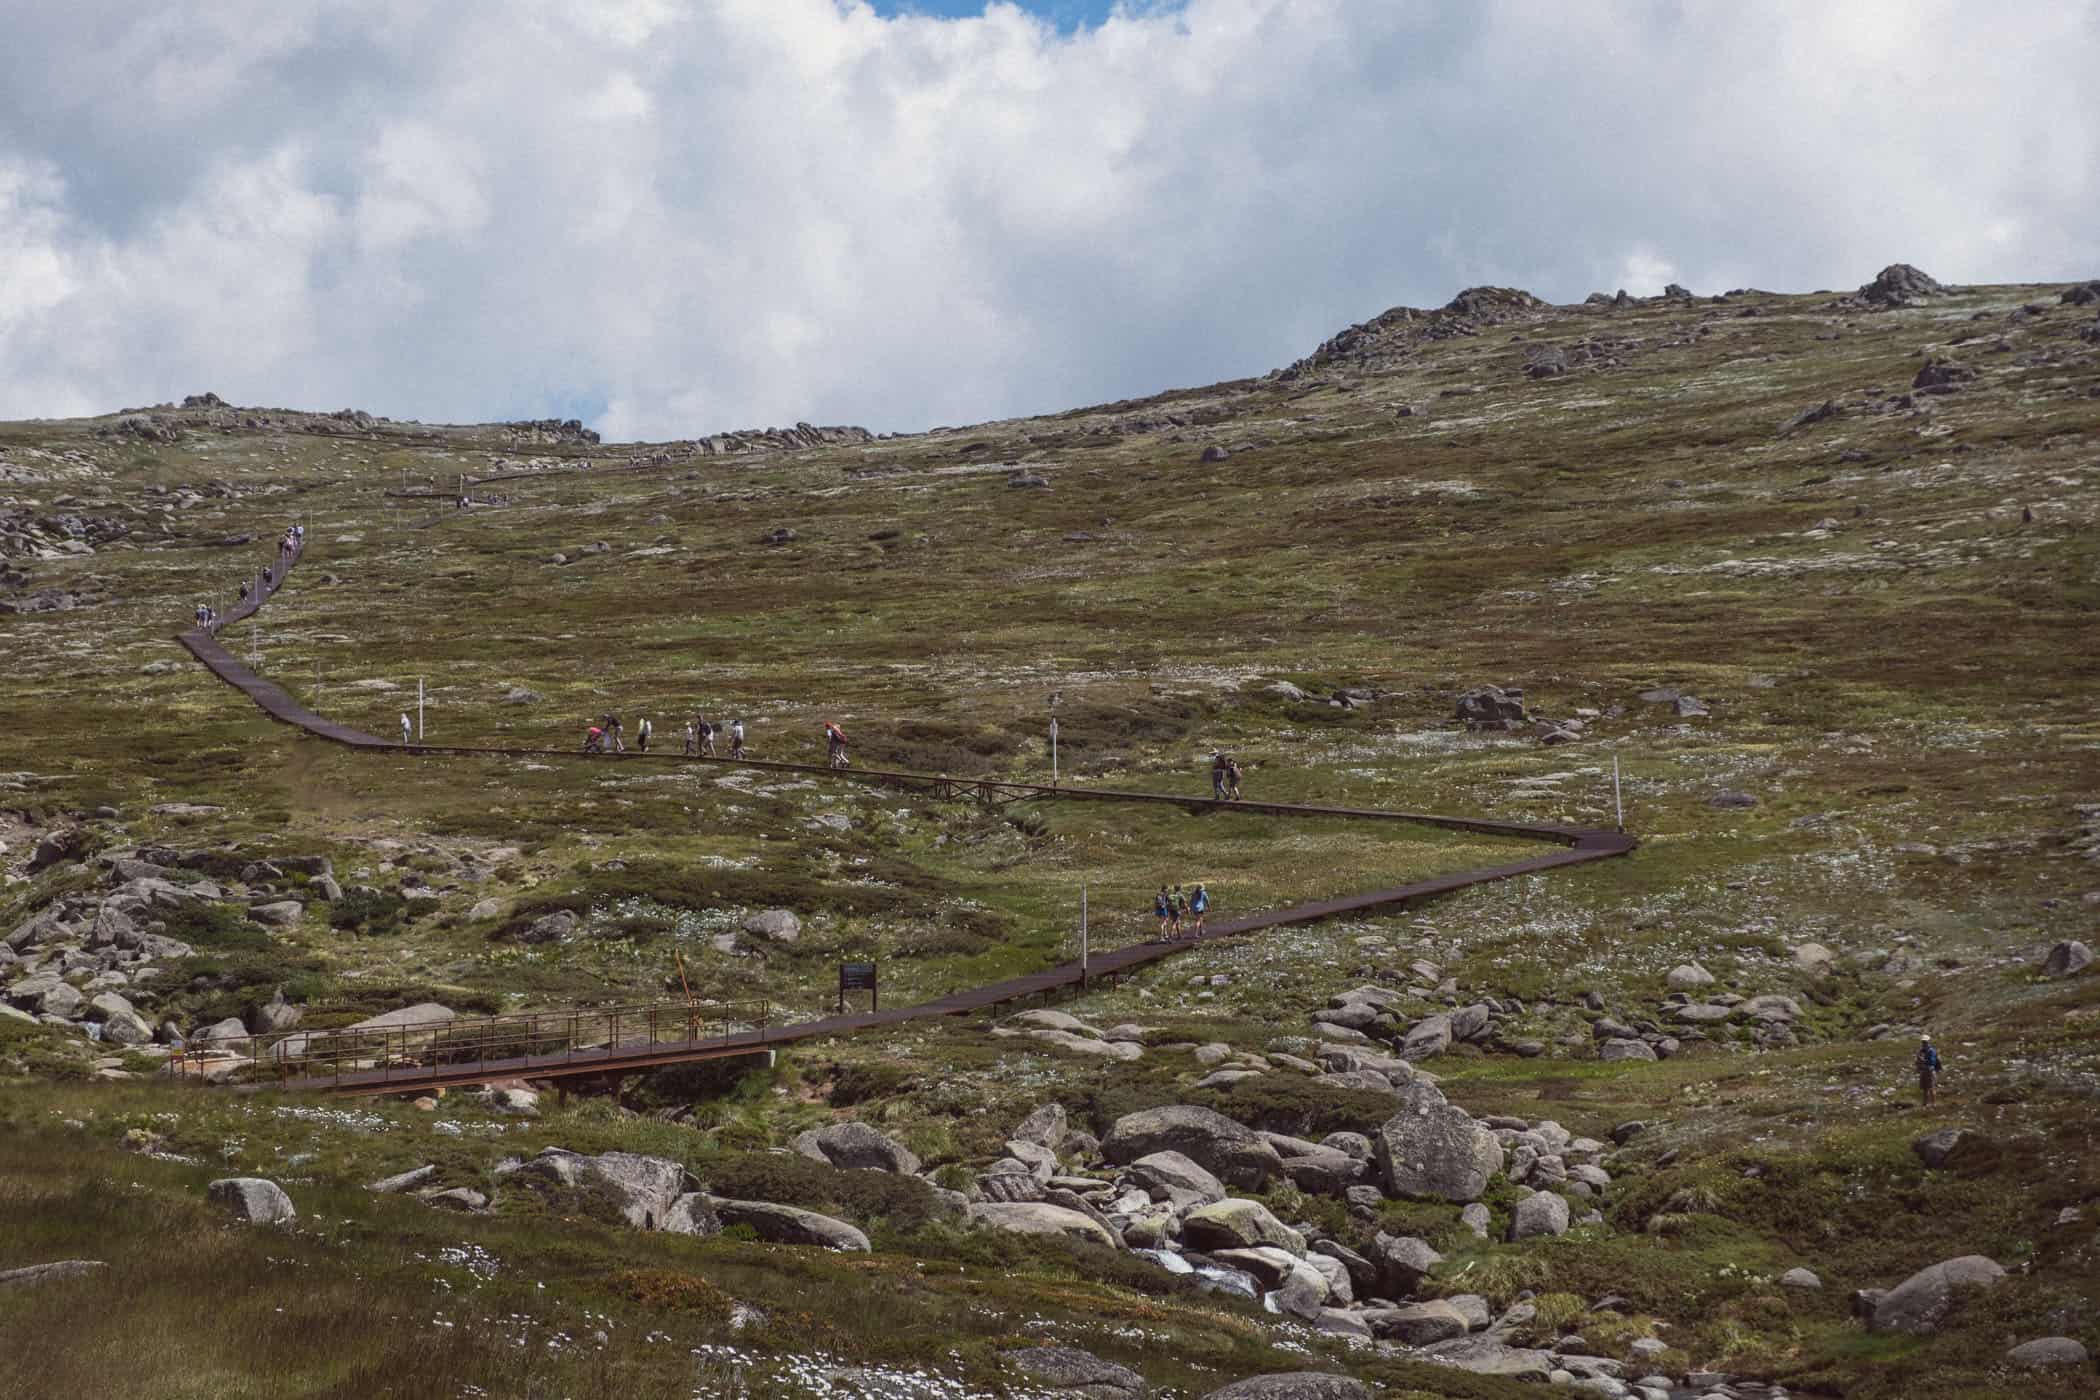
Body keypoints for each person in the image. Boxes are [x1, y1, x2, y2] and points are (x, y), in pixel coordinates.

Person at [1916, 1034, 1942, 1106]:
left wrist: (1923, 1060)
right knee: (1924, 1089)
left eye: (1925, 1042)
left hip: (1930, 1071)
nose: (1924, 1043)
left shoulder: (1932, 1051)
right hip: (1923, 1071)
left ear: (1928, 1042)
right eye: (1923, 1042)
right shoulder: (1921, 1051)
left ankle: (1933, 1103)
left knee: (1931, 1088)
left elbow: (1932, 1062)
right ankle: (1925, 1103)